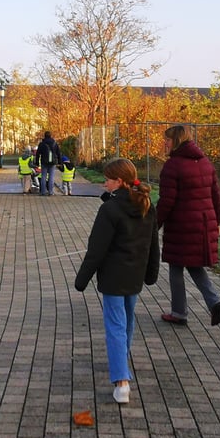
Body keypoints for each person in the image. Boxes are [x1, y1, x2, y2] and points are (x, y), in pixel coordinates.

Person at [75, 158, 160, 404]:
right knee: (127, 320)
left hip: (113, 277)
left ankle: (121, 382)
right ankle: (120, 360)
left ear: (120, 181)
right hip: (135, 276)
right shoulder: (146, 205)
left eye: (108, 179)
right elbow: (153, 244)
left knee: (115, 325)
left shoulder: (109, 210)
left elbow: (96, 250)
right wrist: (151, 273)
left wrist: (81, 279)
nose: (104, 183)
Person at [157, 125, 220, 326]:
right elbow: (216, 196)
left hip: (182, 225)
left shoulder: (173, 166)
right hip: (203, 224)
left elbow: (166, 201)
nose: (165, 143)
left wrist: (154, 224)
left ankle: (179, 312)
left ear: (176, 141)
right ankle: (214, 301)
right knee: (194, 265)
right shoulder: (205, 163)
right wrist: (218, 222)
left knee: (176, 266)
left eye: (168, 140)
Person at [34, 131, 61, 196]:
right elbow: (58, 153)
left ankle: (43, 192)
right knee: (51, 177)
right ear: (50, 136)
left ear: (44, 136)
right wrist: (60, 162)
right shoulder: (55, 143)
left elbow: (37, 154)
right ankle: (50, 192)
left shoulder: (42, 144)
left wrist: (37, 162)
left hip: (44, 162)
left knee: (43, 176)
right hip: (52, 162)